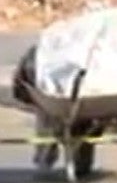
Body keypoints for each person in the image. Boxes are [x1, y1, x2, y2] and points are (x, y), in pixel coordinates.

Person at [11, 44, 106, 174]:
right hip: (92, 97)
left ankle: (46, 155)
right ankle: (52, 153)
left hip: (62, 98)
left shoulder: (52, 49)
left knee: (49, 115)